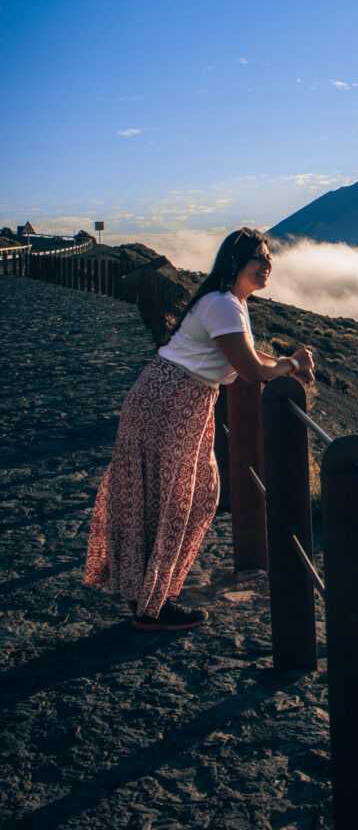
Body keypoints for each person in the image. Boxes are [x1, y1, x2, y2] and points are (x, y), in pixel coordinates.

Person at [83, 228, 313, 631]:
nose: (267, 266)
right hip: (172, 400)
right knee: (174, 500)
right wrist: (291, 365)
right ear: (235, 263)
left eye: (268, 259)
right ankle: (152, 606)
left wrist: (286, 362)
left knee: (193, 495)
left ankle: (153, 593)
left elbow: (248, 354)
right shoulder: (223, 304)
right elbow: (252, 370)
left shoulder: (230, 303)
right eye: (259, 259)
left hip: (179, 400)